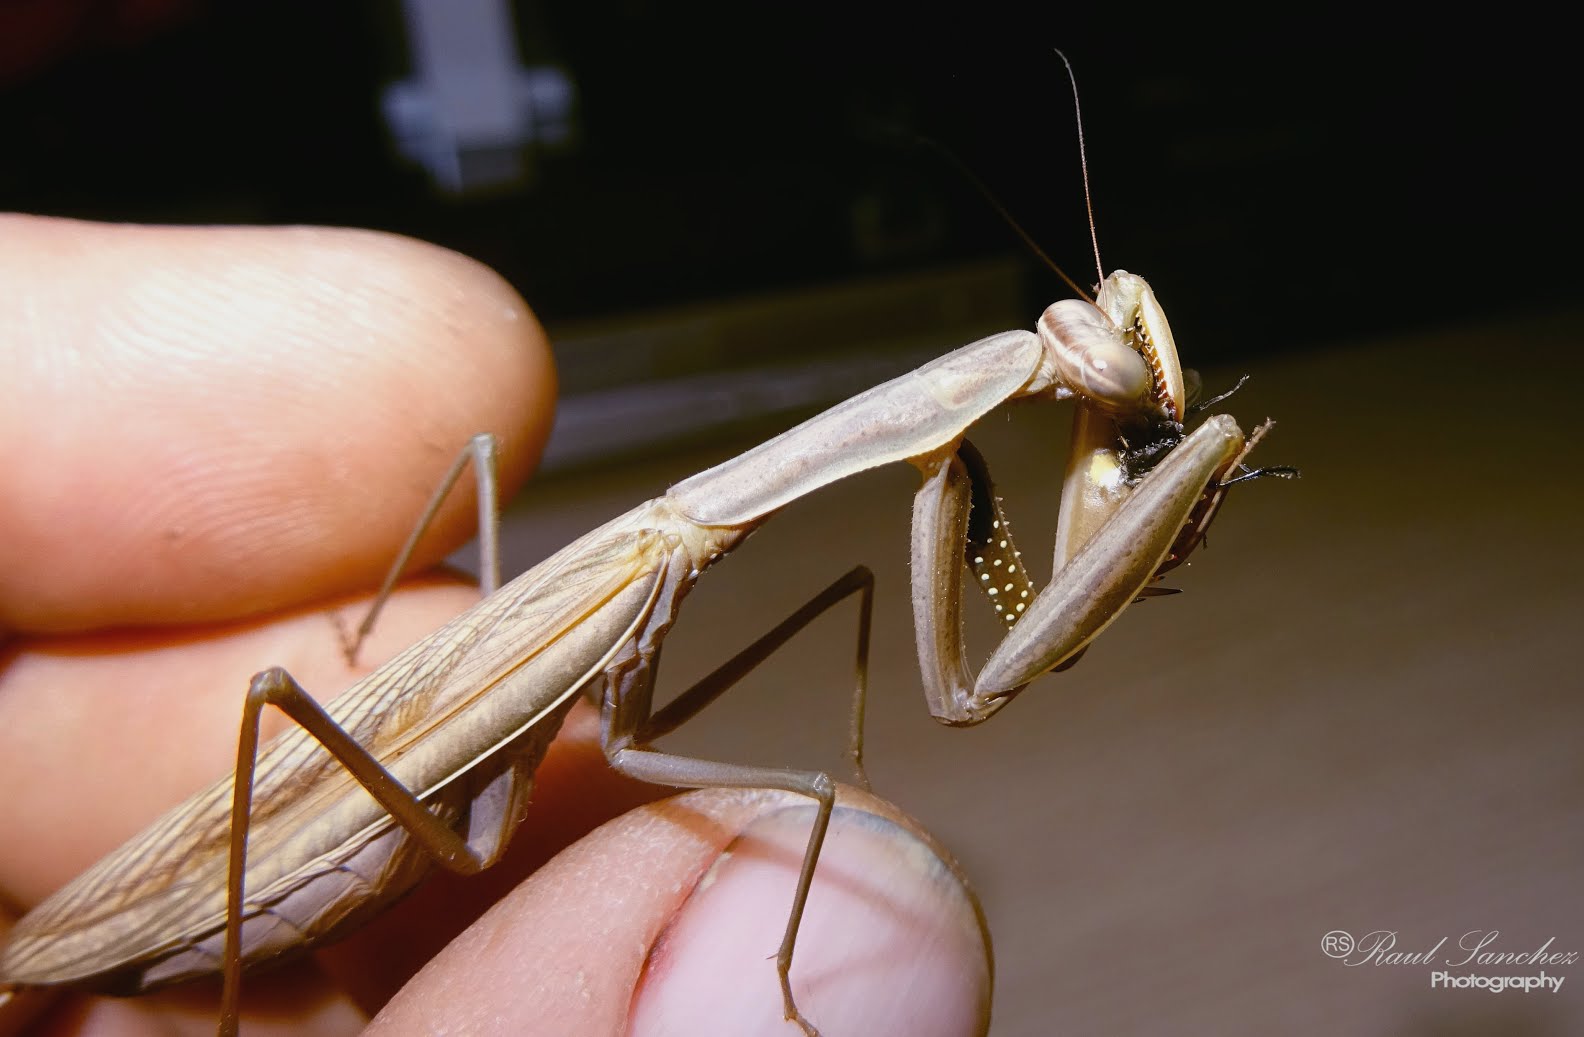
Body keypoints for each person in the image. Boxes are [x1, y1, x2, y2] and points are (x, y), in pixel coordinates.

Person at [0, 215, 991, 1035]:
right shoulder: (662, 547)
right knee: (809, 790)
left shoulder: (677, 535)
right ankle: (780, 977)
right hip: (288, 861)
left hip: (426, 798)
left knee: (852, 588)